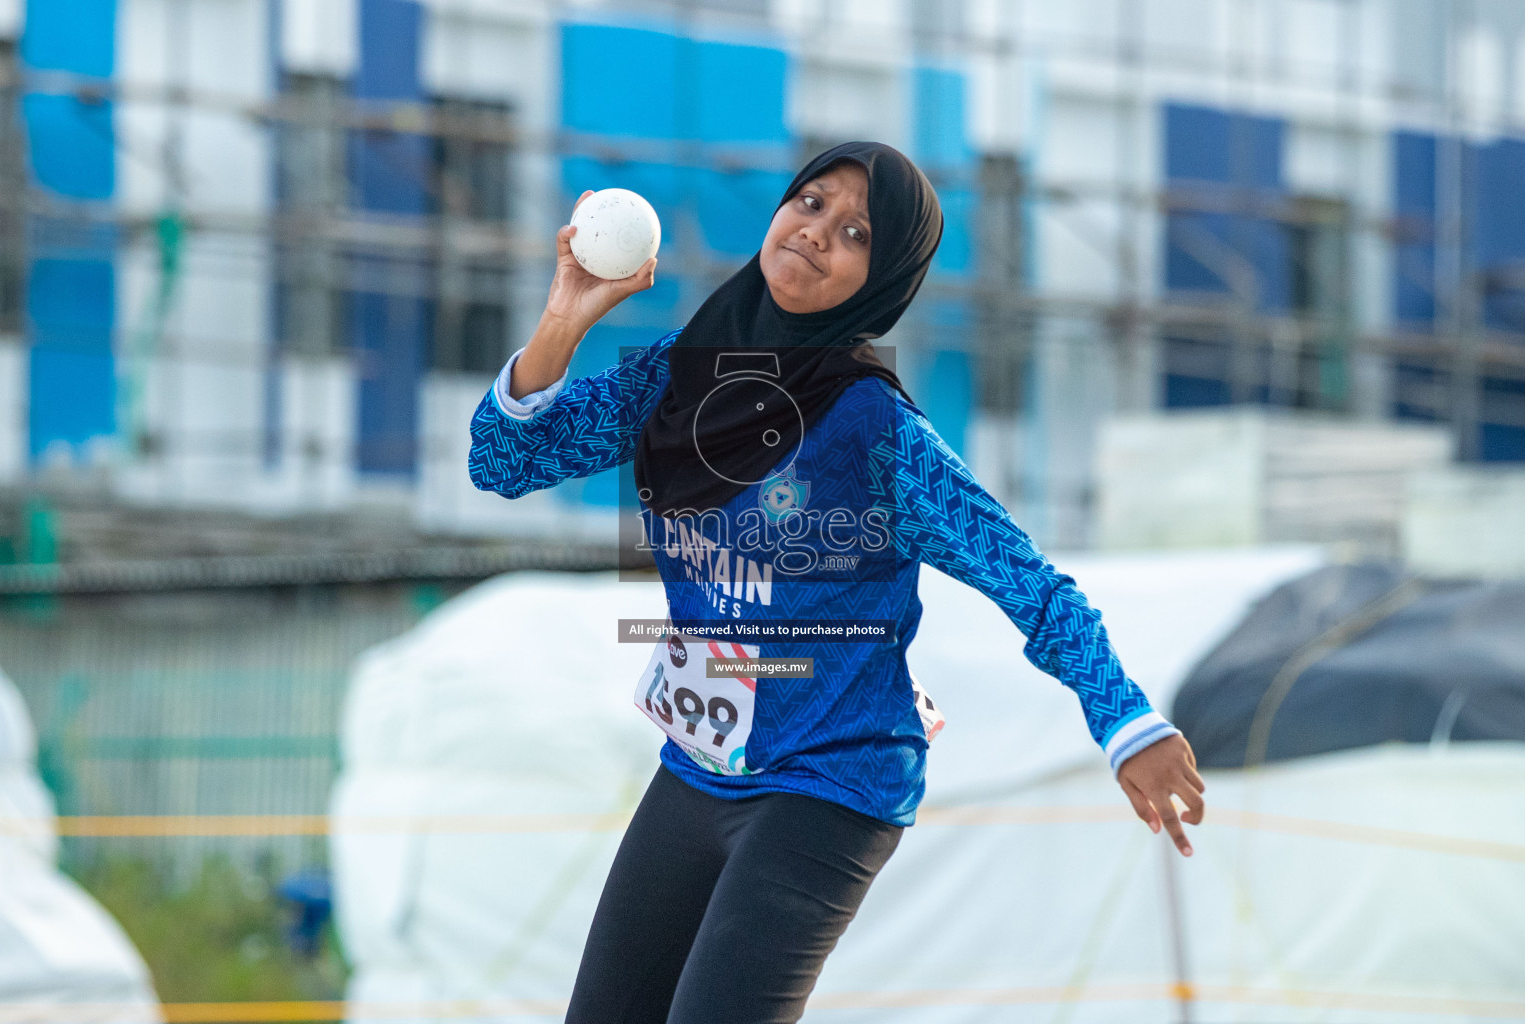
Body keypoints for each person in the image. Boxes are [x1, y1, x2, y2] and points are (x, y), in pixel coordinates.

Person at [469, 141, 1206, 1024]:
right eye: (810, 203)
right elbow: (505, 461)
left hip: (831, 782)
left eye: (854, 231)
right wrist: (566, 316)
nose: (817, 232)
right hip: (702, 766)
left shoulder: (874, 429)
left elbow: (1029, 582)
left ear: (879, 278)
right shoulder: (681, 372)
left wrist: (1127, 720)